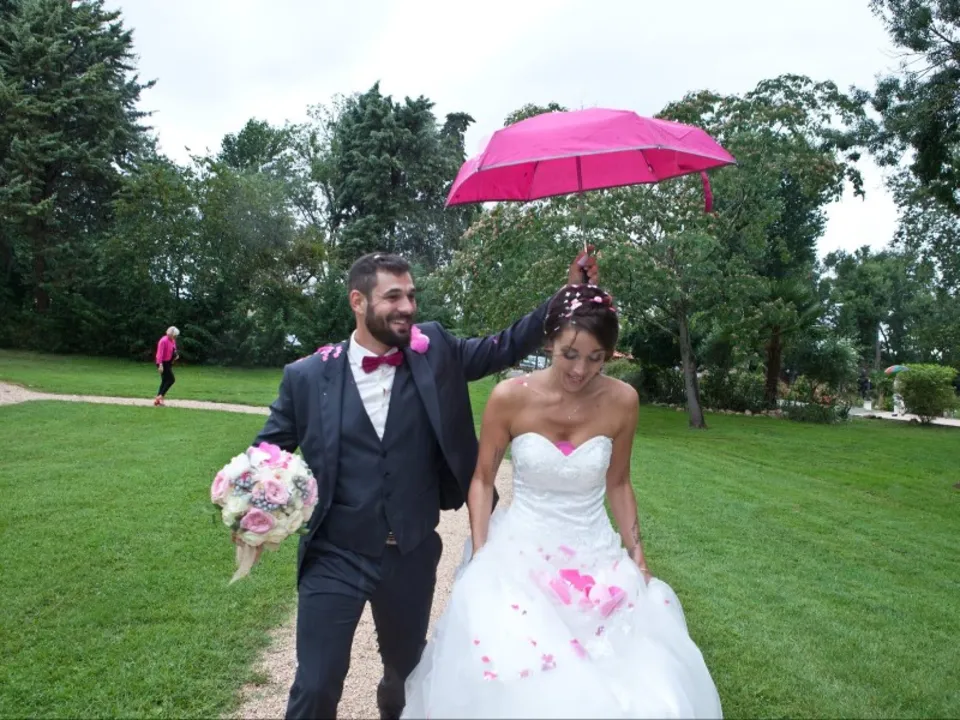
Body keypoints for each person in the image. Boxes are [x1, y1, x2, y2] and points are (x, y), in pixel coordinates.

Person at [252, 249, 599, 720]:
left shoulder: (435, 349)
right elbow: (265, 454)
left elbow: (504, 345)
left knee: (406, 678)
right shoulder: (307, 377)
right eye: (393, 296)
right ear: (358, 301)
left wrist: (568, 294)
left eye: (411, 296)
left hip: (410, 553)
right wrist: (251, 506)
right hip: (335, 552)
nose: (407, 307)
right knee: (315, 686)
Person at [401, 284, 723, 719]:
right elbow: (482, 479)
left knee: (627, 684)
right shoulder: (510, 397)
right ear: (550, 340)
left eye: (596, 358)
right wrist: (481, 552)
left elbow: (619, 484)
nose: (580, 370)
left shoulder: (623, 402)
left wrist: (638, 556)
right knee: (517, 676)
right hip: (520, 554)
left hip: (595, 555)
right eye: (570, 354)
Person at [154, 326, 180, 406]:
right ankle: (160, 397)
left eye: (176, 336)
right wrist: (160, 365)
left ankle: (158, 400)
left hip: (168, 362)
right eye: (174, 336)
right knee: (171, 380)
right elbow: (159, 354)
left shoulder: (172, 340)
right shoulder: (163, 341)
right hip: (162, 363)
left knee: (165, 380)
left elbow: (174, 349)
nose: (175, 337)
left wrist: (176, 354)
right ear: (170, 334)